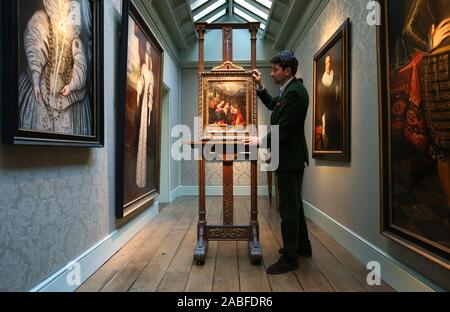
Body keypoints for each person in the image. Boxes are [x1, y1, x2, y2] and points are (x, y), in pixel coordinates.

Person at [246, 51, 311, 275]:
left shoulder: (295, 93)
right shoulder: (289, 91)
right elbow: (274, 105)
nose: (272, 73)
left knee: (288, 209)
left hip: (289, 159)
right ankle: (302, 247)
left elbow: (283, 129)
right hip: (289, 158)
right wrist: (261, 85)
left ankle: (290, 258)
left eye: (275, 70)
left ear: (287, 71)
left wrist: (260, 140)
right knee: (295, 205)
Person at [19, 0, 92, 135]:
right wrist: (35, 79)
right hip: (41, 89)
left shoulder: (76, 40)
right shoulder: (41, 21)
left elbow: (81, 64)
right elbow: (34, 44)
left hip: (71, 101)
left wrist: (71, 85)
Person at [136, 42, 154, 189]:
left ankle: (143, 179)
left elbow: (151, 91)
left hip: (145, 105)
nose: (147, 57)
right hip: (142, 105)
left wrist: (149, 104)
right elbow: (140, 83)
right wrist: (138, 92)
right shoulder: (143, 69)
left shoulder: (152, 74)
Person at [317, 55, 341, 151]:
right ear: (324, 65)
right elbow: (319, 101)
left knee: (333, 140)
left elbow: (337, 98)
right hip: (323, 115)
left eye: (330, 62)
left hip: (333, 116)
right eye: (327, 62)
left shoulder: (336, 78)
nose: (328, 64)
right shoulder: (320, 80)